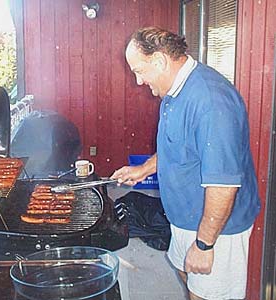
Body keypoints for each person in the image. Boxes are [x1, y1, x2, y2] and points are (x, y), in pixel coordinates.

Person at [111, 27, 261, 300]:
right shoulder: (173, 92)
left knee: (205, 295)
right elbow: (177, 146)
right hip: (185, 217)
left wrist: (204, 245)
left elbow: (223, 185)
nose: (138, 81)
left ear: (159, 61)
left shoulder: (211, 102)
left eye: (139, 71)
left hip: (217, 228)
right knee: (186, 275)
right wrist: (143, 169)